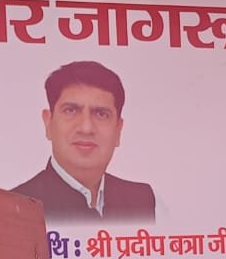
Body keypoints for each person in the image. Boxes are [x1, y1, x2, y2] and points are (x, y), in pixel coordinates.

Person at [12, 60, 156, 224]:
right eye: (71, 110)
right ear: (48, 123)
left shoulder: (141, 199)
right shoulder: (15, 208)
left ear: (118, 130)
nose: (86, 128)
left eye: (101, 114)